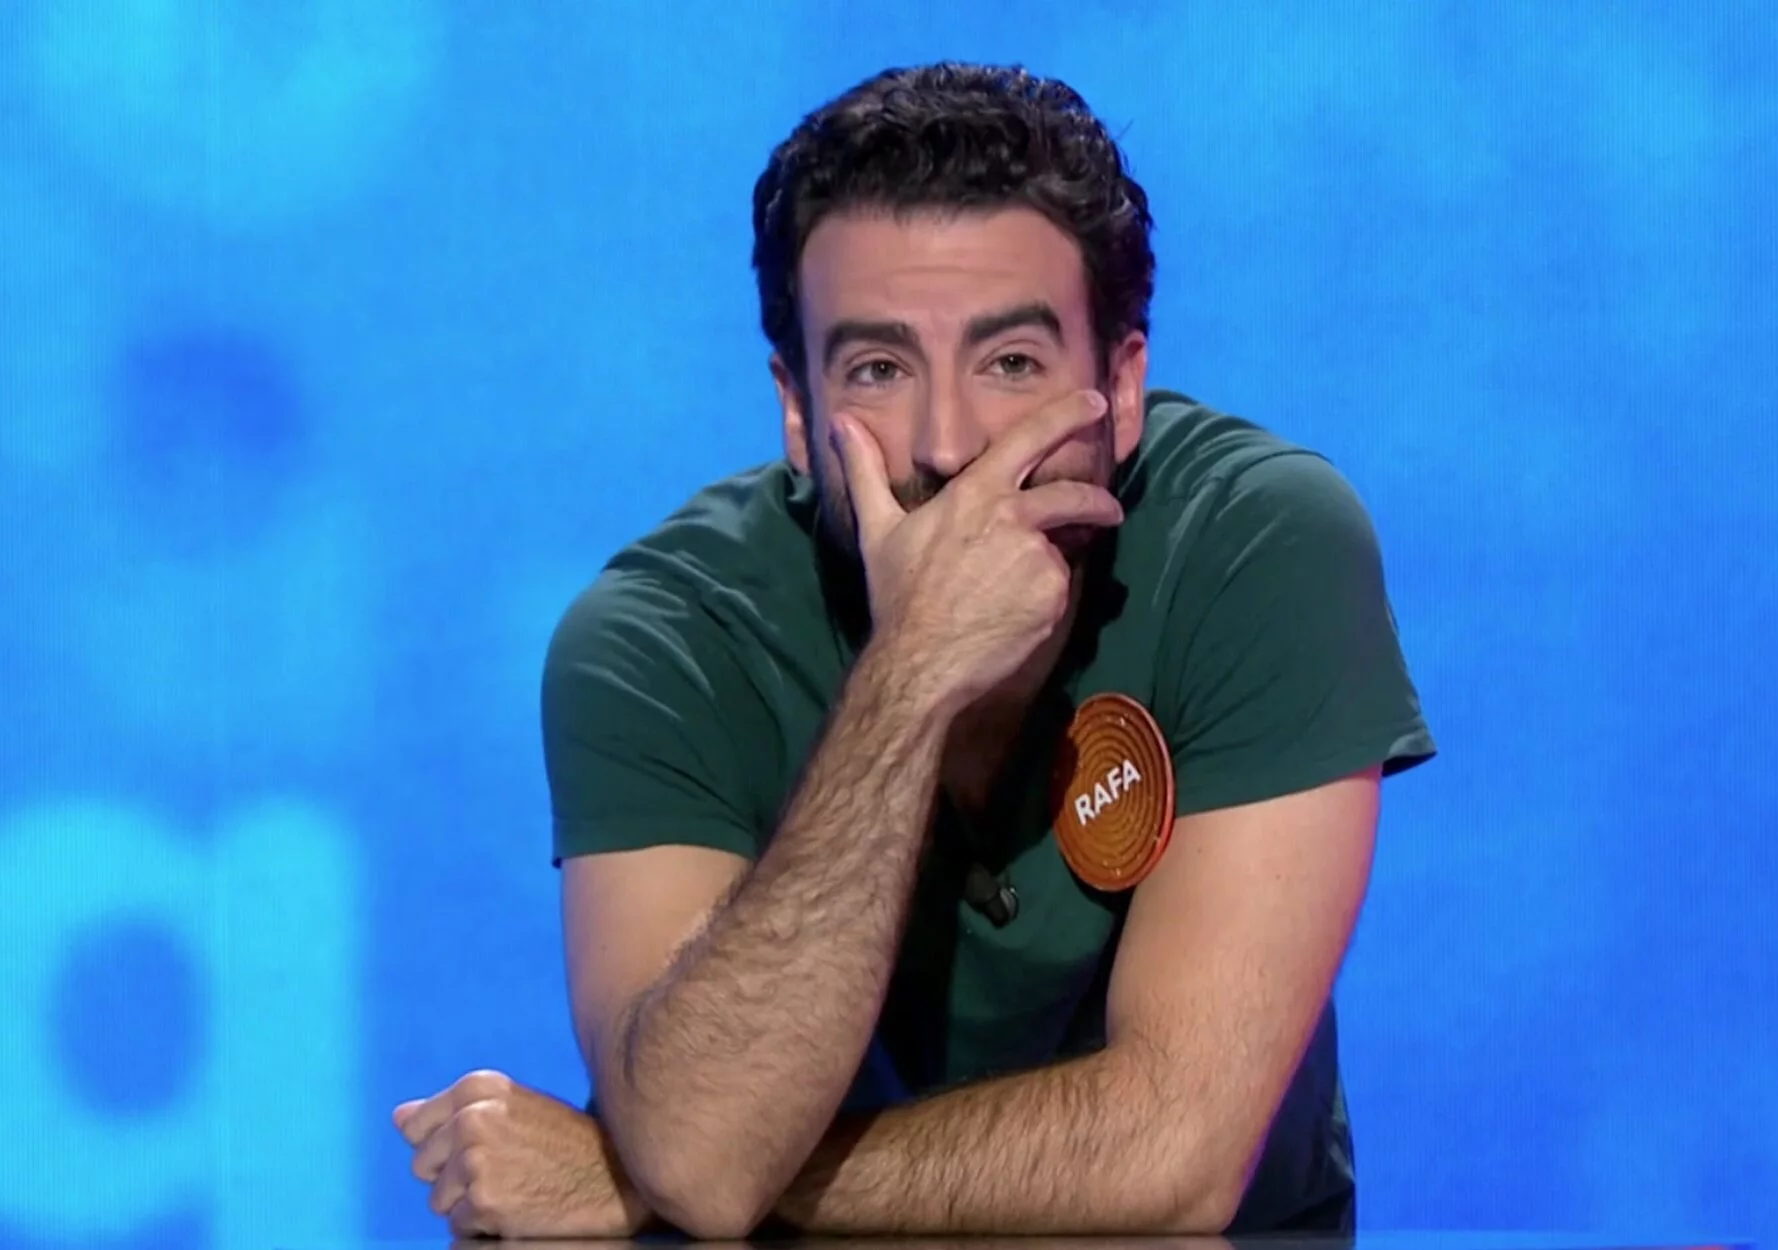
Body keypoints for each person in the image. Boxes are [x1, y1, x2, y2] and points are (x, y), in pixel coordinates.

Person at [391, 60, 1434, 1240]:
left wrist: (637, 1182)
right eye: (878, 369)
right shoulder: (657, 639)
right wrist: (910, 676)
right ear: (795, 409)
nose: (946, 444)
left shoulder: (1259, 543)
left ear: (1122, 384)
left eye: (1010, 363)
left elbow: (1174, 1156)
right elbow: (701, 1150)